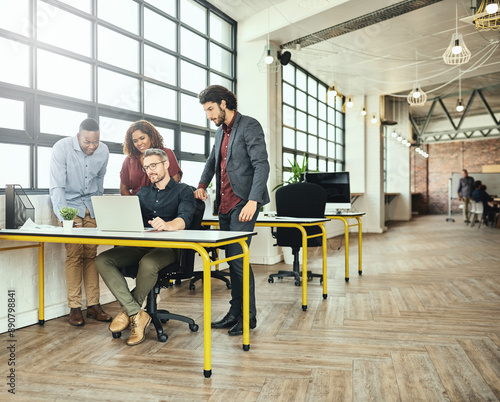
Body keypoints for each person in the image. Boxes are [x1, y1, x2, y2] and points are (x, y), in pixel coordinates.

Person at [96, 148, 196, 346]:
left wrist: (168, 225)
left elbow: (185, 219)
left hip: (170, 248)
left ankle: (128, 312)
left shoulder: (184, 190)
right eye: (146, 167)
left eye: (154, 165)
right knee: (102, 260)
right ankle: (136, 313)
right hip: (143, 245)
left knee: (148, 263)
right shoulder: (143, 193)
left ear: (166, 164)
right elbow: (131, 218)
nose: (150, 171)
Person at [194, 85, 270, 336]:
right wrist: (202, 184)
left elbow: (261, 165)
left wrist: (253, 200)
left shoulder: (249, 125)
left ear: (224, 103)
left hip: (243, 203)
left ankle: (248, 318)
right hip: (225, 204)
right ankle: (234, 312)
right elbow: (212, 161)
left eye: (211, 109)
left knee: (238, 261)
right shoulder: (220, 133)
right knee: (232, 261)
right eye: (206, 111)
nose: (209, 115)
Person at [50, 118, 112, 326]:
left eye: (95, 142)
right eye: (87, 142)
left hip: (92, 207)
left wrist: (100, 208)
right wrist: (62, 217)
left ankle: (94, 305)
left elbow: (100, 181)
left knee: (91, 255)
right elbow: (56, 186)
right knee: (75, 254)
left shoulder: (103, 151)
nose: (92, 146)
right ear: (78, 136)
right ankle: (74, 307)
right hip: (69, 207)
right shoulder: (62, 148)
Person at [120, 120, 183, 196]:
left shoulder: (166, 153)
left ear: (151, 136)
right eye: (135, 141)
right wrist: (134, 205)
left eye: (142, 138)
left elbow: (174, 184)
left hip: (162, 203)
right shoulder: (129, 160)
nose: (139, 143)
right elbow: (123, 188)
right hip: (136, 204)